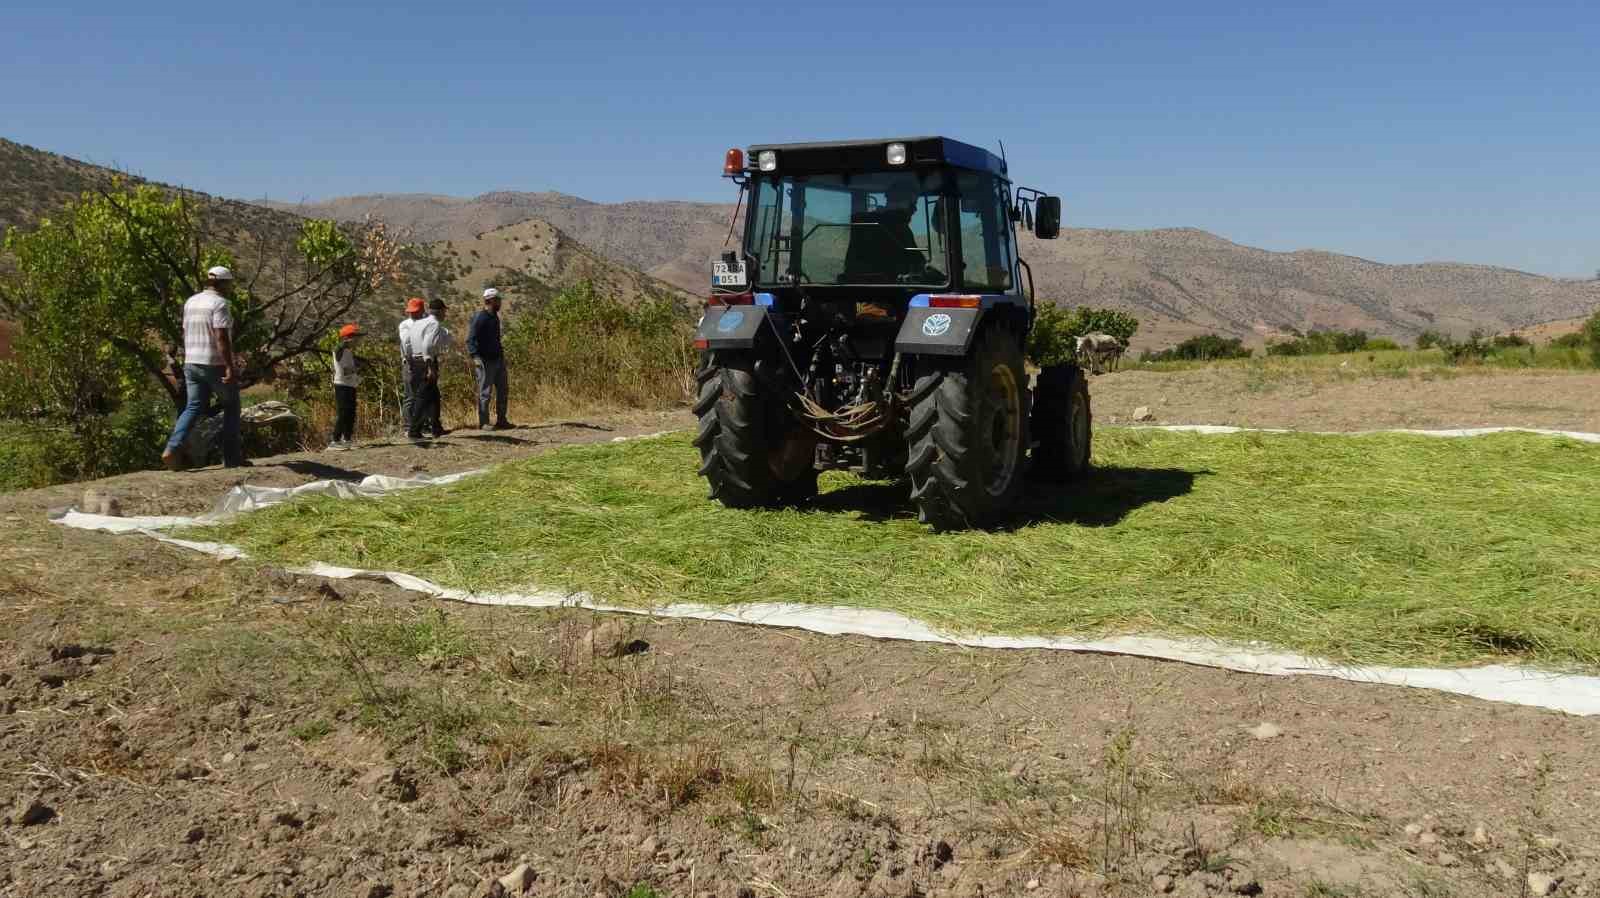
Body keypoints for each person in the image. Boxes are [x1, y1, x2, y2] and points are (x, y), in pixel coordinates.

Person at [162, 266, 243, 469]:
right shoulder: (220, 303)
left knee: (193, 406)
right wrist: (230, 366)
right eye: (230, 283)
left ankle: (172, 447)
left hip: (191, 361)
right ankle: (232, 458)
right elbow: (221, 336)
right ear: (223, 283)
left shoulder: (191, 301)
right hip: (213, 362)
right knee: (231, 405)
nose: (231, 287)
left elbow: (185, 331)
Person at [467, 287, 512, 430]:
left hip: (498, 359)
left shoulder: (494, 317)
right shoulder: (481, 317)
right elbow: (471, 339)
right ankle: (484, 423)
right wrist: (475, 357)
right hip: (485, 360)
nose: (500, 302)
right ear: (491, 300)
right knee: (485, 392)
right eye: (498, 300)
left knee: (503, 390)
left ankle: (502, 420)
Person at [398, 297, 437, 442]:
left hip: (423, 361)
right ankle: (409, 427)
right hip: (410, 362)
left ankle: (423, 425)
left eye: (415, 311)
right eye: (411, 312)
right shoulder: (405, 325)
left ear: (422, 310)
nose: (412, 314)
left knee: (423, 395)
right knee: (410, 396)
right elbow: (406, 343)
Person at [329, 323, 363, 451]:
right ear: (348, 338)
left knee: (350, 413)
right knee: (343, 413)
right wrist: (357, 367)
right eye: (356, 337)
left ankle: (347, 439)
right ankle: (335, 440)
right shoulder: (340, 349)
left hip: (350, 384)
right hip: (342, 385)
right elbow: (338, 349)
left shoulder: (348, 351)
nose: (358, 340)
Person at [423, 298, 452, 437]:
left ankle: (429, 426)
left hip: (419, 360)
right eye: (444, 311)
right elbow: (428, 346)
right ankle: (433, 427)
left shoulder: (423, 322)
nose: (445, 314)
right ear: (440, 311)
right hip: (429, 360)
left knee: (426, 395)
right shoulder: (434, 324)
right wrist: (430, 365)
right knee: (432, 395)